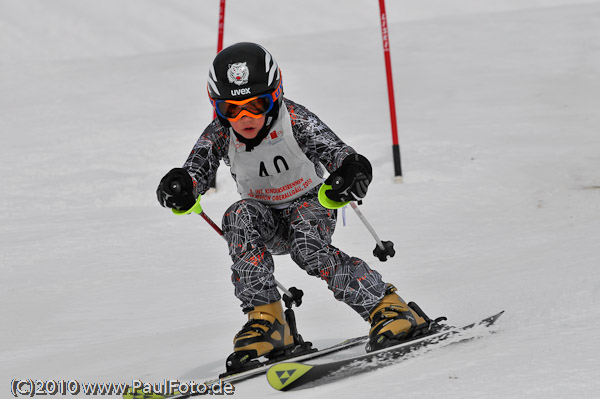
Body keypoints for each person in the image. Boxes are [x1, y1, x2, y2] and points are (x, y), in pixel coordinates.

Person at [156, 42, 432, 363]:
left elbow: (339, 153)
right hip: (266, 220)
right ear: (217, 108)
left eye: (256, 105)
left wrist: (352, 172)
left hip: (311, 205)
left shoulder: (295, 120)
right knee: (238, 215)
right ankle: (269, 323)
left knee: (307, 247)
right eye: (231, 109)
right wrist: (180, 187)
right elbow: (196, 170)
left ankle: (386, 307)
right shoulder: (220, 132)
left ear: (275, 96)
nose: (245, 117)